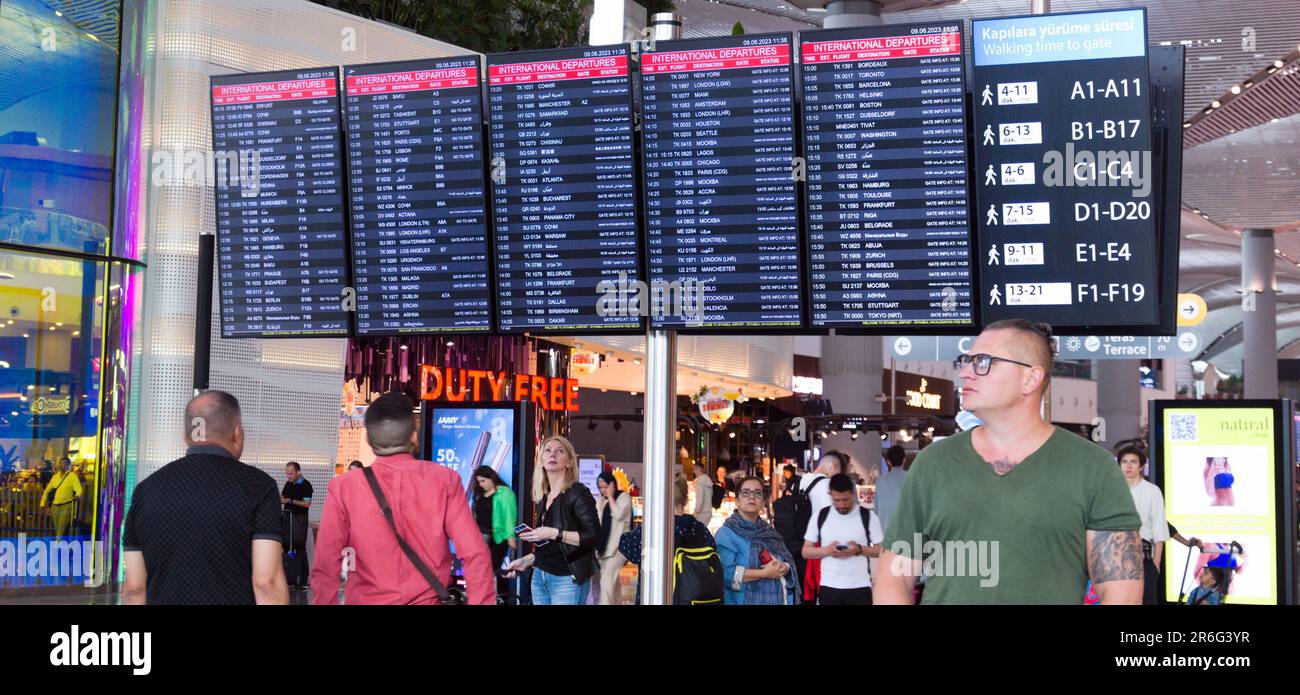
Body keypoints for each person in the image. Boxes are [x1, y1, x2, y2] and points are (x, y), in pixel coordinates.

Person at [877, 319, 1143, 604]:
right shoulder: (933, 463)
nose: (966, 372)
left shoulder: (1093, 468)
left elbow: (1120, 590)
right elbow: (897, 574)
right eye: (966, 361)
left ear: (1030, 378)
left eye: (983, 362)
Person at [311, 392, 493, 605]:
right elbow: (475, 554)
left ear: (369, 439)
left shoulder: (343, 487)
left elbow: (326, 565)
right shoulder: (444, 481)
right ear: (414, 437)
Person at [122, 390, 287, 604]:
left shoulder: (145, 490)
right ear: (237, 433)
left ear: (186, 436)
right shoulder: (258, 487)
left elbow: (134, 587)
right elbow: (267, 583)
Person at [504, 436, 600, 605]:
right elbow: (552, 548)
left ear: (569, 462)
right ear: (541, 460)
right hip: (540, 577)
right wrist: (525, 561)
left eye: (559, 451)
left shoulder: (578, 492)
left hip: (567, 578)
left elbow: (593, 536)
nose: (552, 454)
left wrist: (555, 533)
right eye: (547, 450)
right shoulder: (544, 496)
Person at [617, 473, 715, 604]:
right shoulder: (699, 529)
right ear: (686, 500)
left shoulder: (651, 529)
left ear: (661, 498)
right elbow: (713, 558)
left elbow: (625, 546)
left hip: (653, 597)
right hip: (690, 598)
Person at [715, 476, 799, 605]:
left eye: (757, 493)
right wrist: (763, 573)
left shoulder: (770, 532)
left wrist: (785, 568)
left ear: (763, 501)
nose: (752, 497)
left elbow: (788, 561)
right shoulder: (726, 534)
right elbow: (728, 577)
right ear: (737, 501)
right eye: (745, 492)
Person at [801, 473, 883, 605]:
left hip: (860, 587)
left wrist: (860, 549)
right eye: (836, 500)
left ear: (853, 494)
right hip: (829, 588)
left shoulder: (867, 516)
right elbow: (805, 552)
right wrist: (827, 551)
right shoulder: (820, 516)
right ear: (830, 495)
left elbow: (882, 550)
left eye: (845, 500)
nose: (841, 505)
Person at [1116, 445, 1167, 605]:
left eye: (1133, 462)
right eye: (1124, 462)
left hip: (1143, 554)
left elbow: (1159, 526)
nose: (1128, 466)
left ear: (1141, 466)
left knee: (1146, 599)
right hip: (1116, 554)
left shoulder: (1152, 491)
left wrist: (1156, 562)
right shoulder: (1113, 490)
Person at [472, 465, 517, 598]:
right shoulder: (480, 495)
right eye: (479, 482)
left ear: (491, 478)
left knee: (492, 570)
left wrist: (510, 536)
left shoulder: (504, 492)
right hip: (479, 537)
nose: (481, 484)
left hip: (497, 537)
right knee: (480, 571)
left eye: (483, 481)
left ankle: (499, 598)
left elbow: (509, 515)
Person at [596, 471, 631, 605]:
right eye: (600, 488)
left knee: (606, 582)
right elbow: (598, 523)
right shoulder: (601, 501)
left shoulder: (623, 497)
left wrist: (611, 497)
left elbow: (619, 514)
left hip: (618, 549)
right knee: (612, 585)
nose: (603, 490)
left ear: (612, 484)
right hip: (605, 550)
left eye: (605, 486)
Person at [280, 461, 313, 588]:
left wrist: (291, 501)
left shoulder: (306, 485)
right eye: (287, 473)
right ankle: (288, 579)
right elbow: (283, 496)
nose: (288, 476)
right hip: (287, 518)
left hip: (299, 519)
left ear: (298, 472)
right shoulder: (288, 484)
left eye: (291, 473)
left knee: (299, 548)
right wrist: (282, 499)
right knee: (286, 546)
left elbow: (307, 503)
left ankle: (302, 580)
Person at [41, 457, 83, 539]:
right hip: (55, 505)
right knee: (58, 528)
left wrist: (77, 496)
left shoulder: (72, 476)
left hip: (66, 505)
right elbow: (47, 490)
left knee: (61, 527)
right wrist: (42, 503)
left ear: (68, 465)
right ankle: (62, 545)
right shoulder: (55, 477)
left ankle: (57, 546)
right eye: (60, 463)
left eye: (64, 463)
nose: (62, 465)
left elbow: (79, 489)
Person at [874, 445, 908, 531]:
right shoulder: (912, 478)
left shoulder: (880, 481)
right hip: (907, 531)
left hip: (885, 530)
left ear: (888, 462)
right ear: (904, 460)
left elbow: (876, 510)